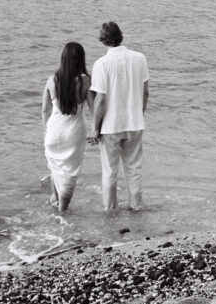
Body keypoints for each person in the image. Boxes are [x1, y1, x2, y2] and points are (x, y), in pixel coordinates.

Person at [90, 21, 149, 211]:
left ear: (102, 40)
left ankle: (109, 210)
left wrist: (94, 128)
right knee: (134, 169)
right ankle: (136, 206)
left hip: (110, 125)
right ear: (120, 36)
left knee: (109, 171)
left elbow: (100, 100)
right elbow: (145, 92)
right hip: (134, 122)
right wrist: (138, 114)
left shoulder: (101, 64)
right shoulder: (140, 58)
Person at [42, 42, 94, 212]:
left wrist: (47, 130)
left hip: (53, 132)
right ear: (80, 60)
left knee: (55, 167)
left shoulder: (52, 80)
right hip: (74, 133)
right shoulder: (86, 81)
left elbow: (44, 110)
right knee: (70, 173)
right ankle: (62, 212)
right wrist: (97, 130)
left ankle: (55, 199)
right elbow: (94, 109)